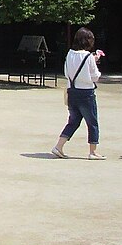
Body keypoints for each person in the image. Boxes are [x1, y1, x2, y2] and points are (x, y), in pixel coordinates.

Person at [51, 27, 105, 160]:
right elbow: (95, 76)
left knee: (73, 121)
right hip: (86, 93)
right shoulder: (88, 56)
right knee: (92, 122)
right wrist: (95, 63)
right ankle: (93, 151)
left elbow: (66, 73)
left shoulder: (69, 54)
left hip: (72, 91)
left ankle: (59, 146)